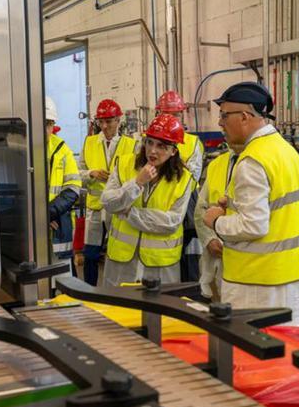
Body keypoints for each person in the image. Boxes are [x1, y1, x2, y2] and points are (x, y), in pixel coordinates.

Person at [202, 82, 299, 326]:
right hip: (291, 275)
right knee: (286, 353)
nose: (220, 123)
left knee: (254, 358)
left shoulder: (252, 160)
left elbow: (253, 226)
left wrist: (216, 220)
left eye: (224, 116)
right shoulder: (285, 152)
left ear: (244, 117)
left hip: (257, 282)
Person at [101, 114, 195, 286]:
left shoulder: (183, 179)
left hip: (160, 264)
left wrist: (129, 212)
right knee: (118, 309)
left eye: (161, 146)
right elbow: (107, 202)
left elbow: (171, 222)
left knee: (160, 311)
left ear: (173, 150)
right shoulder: (124, 165)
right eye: (149, 142)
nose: (152, 150)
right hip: (121, 261)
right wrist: (137, 183)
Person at [78, 99, 137, 286]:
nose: (104, 126)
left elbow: (137, 175)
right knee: (91, 254)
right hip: (95, 209)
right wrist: (91, 173)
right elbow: (76, 173)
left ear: (118, 120)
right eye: (101, 122)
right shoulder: (89, 143)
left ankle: (113, 293)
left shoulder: (131, 145)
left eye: (109, 121)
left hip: (118, 209)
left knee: (116, 253)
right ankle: (89, 293)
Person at [156, 90, 205, 284]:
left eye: (175, 114)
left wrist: (167, 163)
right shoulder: (150, 142)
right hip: (160, 206)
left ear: (182, 115)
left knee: (190, 260)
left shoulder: (193, 143)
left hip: (186, 208)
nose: (171, 119)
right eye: (166, 114)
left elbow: (192, 177)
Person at [193, 143, 241, 302]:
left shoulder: (263, 163)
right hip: (215, 259)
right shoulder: (217, 165)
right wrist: (209, 239)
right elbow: (201, 209)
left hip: (246, 263)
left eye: (225, 117)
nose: (221, 123)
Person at [45, 97, 82, 278]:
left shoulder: (62, 150)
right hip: (28, 228)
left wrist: (47, 213)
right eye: (42, 123)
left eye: (49, 124)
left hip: (57, 223)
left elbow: (73, 188)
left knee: (62, 277)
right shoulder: (19, 148)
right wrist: (37, 218)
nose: (45, 129)